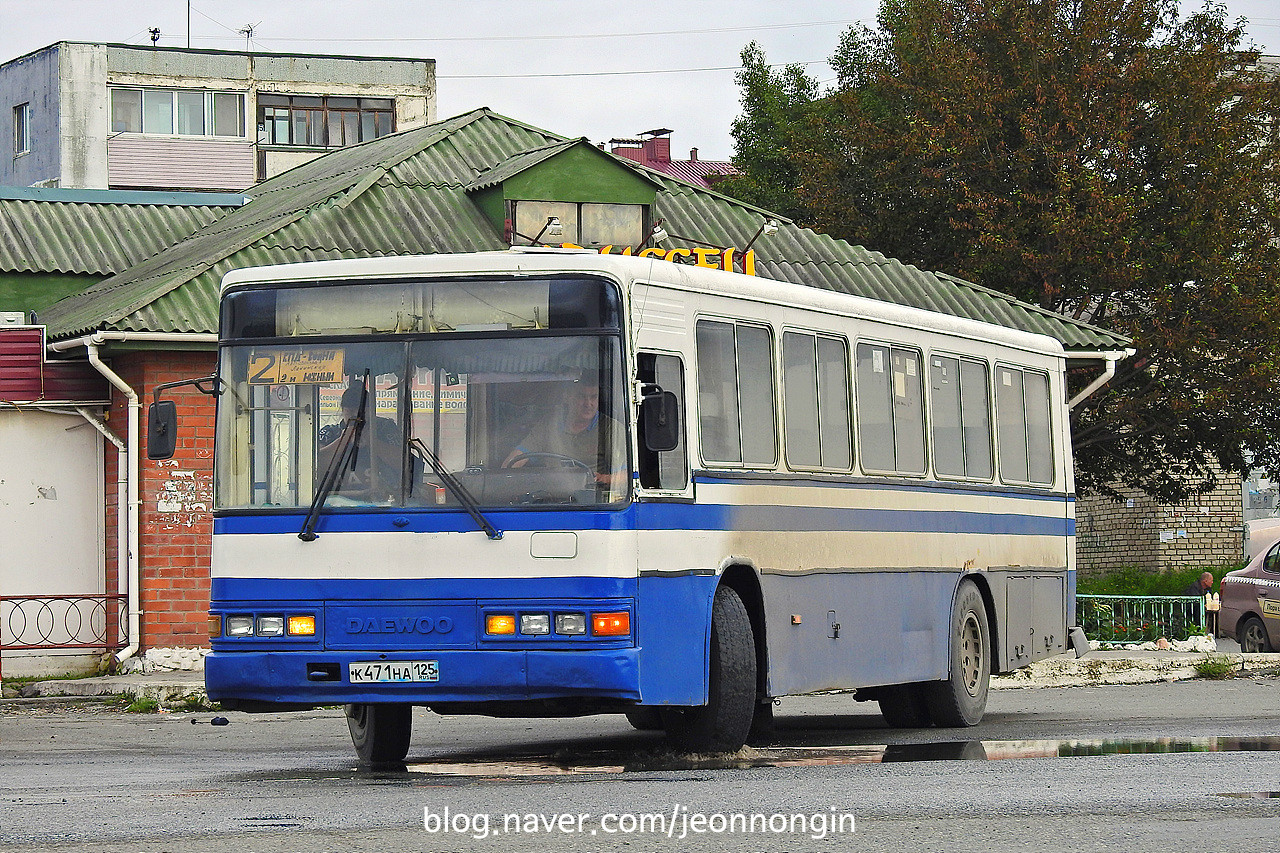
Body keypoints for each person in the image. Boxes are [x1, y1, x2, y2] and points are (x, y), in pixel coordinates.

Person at [504, 372, 626, 490]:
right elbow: (516, 459)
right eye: (581, 396)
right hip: (549, 499)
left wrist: (603, 479)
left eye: (593, 397)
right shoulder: (549, 424)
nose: (588, 404)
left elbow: (626, 476)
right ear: (567, 397)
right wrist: (503, 480)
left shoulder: (612, 428)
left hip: (592, 502)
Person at [318, 382, 404, 501]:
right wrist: (342, 442)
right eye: (350, 411)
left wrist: (372, 441)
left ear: (370, 411)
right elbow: (314, 466)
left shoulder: (386, 429)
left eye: (361, 412)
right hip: (334, 502)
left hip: (382, 501)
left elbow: (403, 463)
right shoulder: (329, 433)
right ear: (343, 410)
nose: (356, 416)